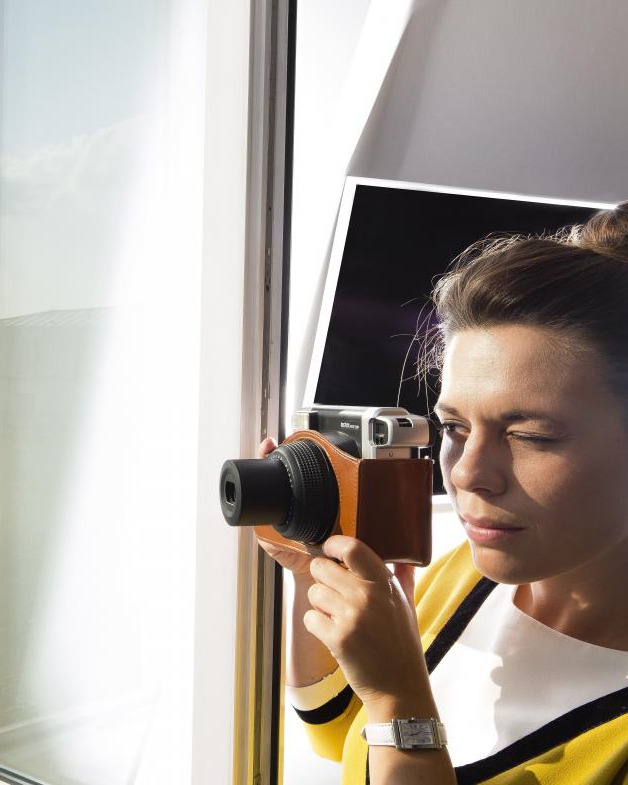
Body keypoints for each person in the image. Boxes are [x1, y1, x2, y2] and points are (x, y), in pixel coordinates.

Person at [261, 202, 628, 784]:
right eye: (455, 428)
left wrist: (399, 699)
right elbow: (341, 737)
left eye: (530, 435)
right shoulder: (468, 573)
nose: (465, 473)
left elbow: (387, 717)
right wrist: (313, 575)